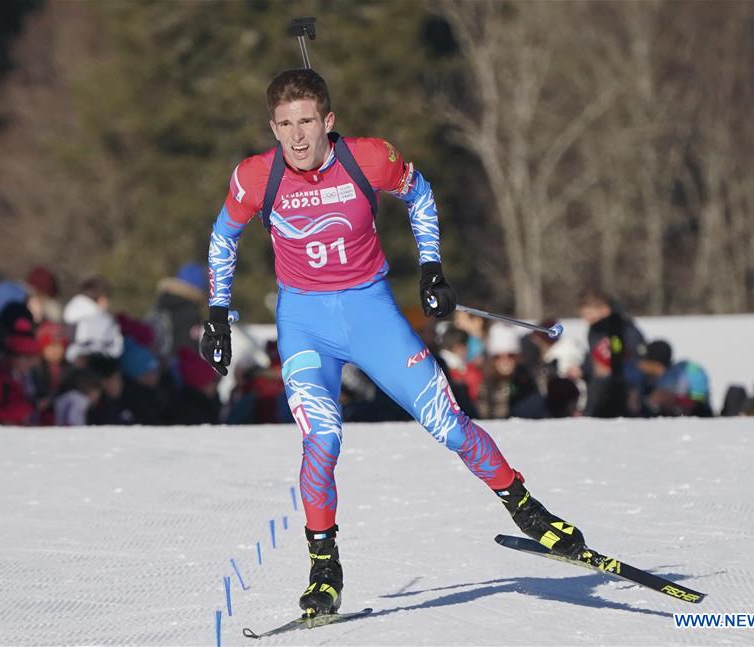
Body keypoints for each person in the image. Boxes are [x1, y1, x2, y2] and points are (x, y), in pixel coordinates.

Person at [199, 68, 586, 617]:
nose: (298, 136)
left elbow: (421, 195)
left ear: (328, 121)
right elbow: (223, 236)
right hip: (305, 323)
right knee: (322, 441)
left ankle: (525, 508)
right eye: (285, 124)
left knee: (447, 423)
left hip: (372, 313)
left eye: (307, 120)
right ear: (273, 127)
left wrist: (431, 269)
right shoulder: (255, 176)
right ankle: (324, 568)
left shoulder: (369, 158)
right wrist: (217, 313)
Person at [637, 340, 712, 417]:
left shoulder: (673, 376)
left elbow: (697, 402)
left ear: (656, 364)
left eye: (646, 361)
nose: (641, 365)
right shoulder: (676, 372)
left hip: (695, 415)